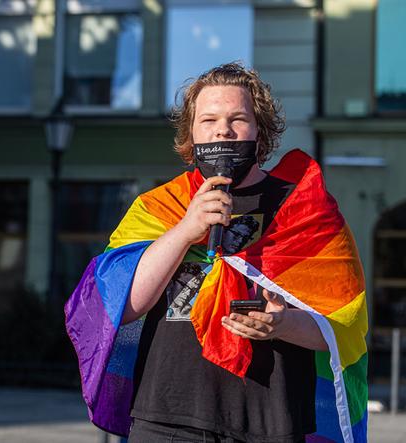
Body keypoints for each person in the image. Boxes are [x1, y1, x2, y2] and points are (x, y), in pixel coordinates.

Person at [65, 63, 367, 443]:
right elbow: (122, 305)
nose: (222, 129)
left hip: (270, 420)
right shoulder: (159, 207)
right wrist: (186, 231)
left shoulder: (306, 209)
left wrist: (282, 324)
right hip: (166, 418)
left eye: (237, 118)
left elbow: (343, 327)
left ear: (261, 133)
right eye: (208, 119)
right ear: (191, 134)